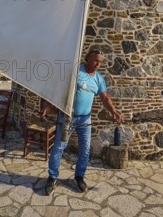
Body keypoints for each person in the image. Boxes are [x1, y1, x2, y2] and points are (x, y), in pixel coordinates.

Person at [41, 48, 124, 195]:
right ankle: (52, 177)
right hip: (67, 117)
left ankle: (79, 177)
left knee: (85, 150)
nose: (98, 64)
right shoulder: (75, 71)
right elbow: (58, 90)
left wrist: (114, 111)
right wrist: (47, 107)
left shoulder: (98, 78)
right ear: (88, 58)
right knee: (59, 148)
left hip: (86, 119)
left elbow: (105, 98)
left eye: (100, 62)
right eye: (96, 60)